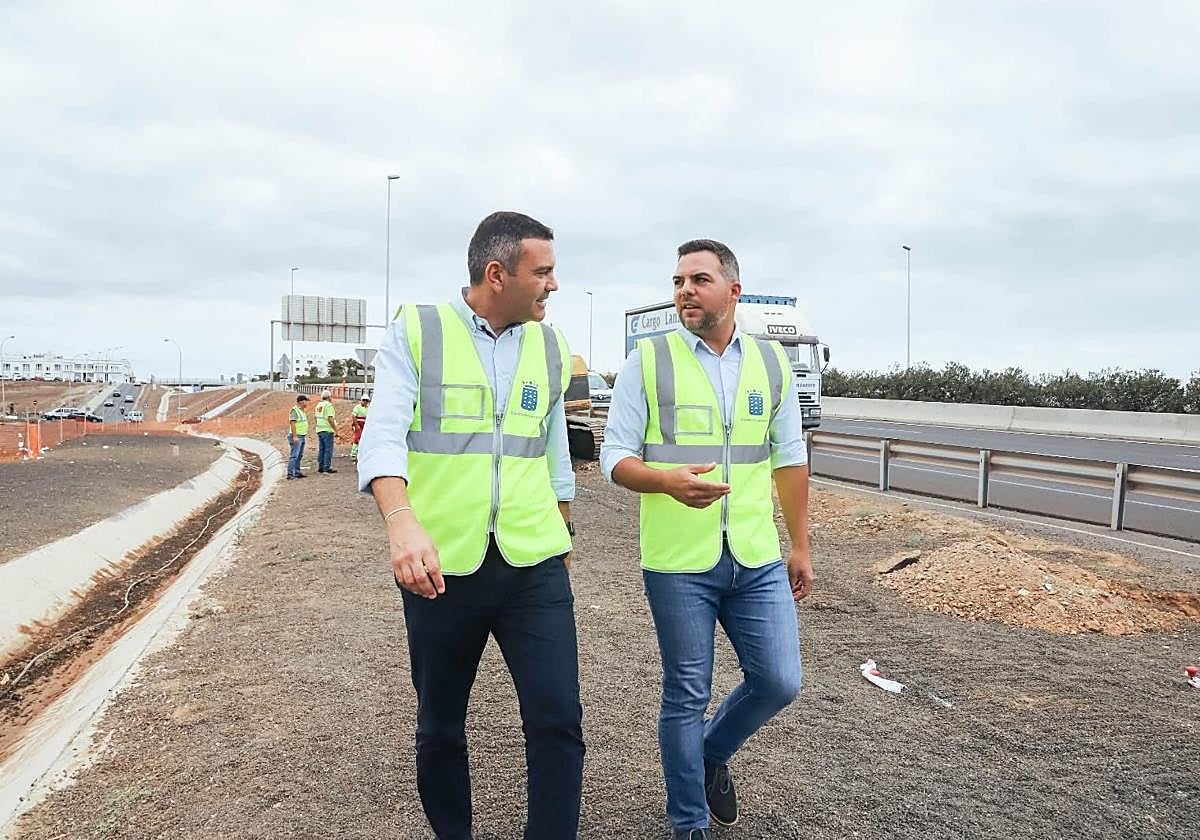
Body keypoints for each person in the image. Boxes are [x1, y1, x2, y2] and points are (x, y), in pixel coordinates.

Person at [357, 211, 584, 840]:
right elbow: (382, 438)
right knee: (440, 725)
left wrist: (562, 527)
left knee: (558, 719)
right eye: (543, 272)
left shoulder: (550, 346)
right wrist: (401, 524)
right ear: (497, 273)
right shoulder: (419, 332)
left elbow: (552, 450)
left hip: (533, 563)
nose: (554, 285)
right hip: (442, 567)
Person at [600, 239, 812, 840]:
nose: (684, 291)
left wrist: (799, 544)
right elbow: (614, 455)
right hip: (677, 561)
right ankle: (689, 824)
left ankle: (708, 756)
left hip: (755, 553)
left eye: (698, 279)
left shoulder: (771, 365)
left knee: (779, 681)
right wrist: (662, 482)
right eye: (677, 281)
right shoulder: (649, 360)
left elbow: (789, 458)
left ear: (733, 291)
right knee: (685, 693)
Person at [287, 394, 310, 479]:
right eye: (305, 401)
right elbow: (292, 423)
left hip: (302, 436)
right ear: (301, 401)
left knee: (299, 455)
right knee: (294, 455)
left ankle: (296, 472)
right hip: (297, 437)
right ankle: (290, 474)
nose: (306, 403)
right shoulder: (295, 410)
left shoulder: (302, 411)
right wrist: (295, 436)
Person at [315, 389, 338, 474]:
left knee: (322, 449)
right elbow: (330, 418)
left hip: (319, 429)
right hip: (327, 430)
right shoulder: (328, 405)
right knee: (328, 449)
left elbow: (316, 418)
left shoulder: (318, 405)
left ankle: (321, 467)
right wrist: (336, 430)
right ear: (329, 397)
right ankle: (326, 467)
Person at [350, 395, 369, 460]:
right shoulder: (357, 407)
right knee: (357, 438)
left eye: (366, 400)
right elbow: (354, 416)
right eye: (364, 400)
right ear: (361, 400)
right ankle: (354, 454)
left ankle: (361, 453)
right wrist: (356, 425)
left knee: (364, 439)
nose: (365, 402)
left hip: (365, 425)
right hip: (358, 425)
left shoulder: (368, 408)